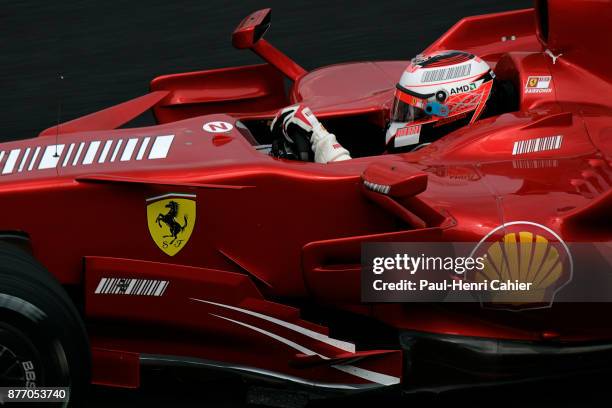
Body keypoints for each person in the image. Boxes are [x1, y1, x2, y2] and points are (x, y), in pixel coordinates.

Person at [270, 50, 512, 163]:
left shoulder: (457, 168)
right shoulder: (441, 129)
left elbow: (362, 181)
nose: (397, 120)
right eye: (401, 108)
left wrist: (322, 143)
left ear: (452, 110)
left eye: (411, 111)